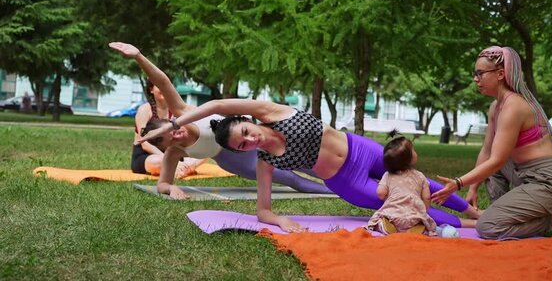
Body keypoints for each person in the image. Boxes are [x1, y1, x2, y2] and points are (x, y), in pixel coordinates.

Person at [138, 92, 481, 233]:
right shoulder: (264, 158)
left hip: (361, 150)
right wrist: (286, 223)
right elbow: (263, 211)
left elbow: (215, 106)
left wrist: (173, 124)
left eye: (246, 131)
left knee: (414, 178)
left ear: (250, 120)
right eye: (242, 143)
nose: (250, 139)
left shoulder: (271, 112)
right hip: (347, 182)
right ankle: (471, 228)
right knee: (403, 201)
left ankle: (473, 212)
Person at [109, 42, 333, 198]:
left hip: (245, 135)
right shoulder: (174, 153)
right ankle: (334, 193)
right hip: (231, 158)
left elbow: (164, 82)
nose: (178, 135)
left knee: (307, 161)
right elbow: (163, 184)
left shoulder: (182, 111)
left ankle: (344, 179)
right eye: (173, 140)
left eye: (173, 130)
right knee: (289, 178)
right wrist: (171, 189)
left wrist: (138, 57)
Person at [431, 46, 552, 240]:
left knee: (487, 227)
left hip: (549, 181)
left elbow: (497, 160)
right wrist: (473, 188)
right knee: (493, 166)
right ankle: (507, 214)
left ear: (500, 74)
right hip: (524, 173)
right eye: (475, 73)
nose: (475, 79)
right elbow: (488, 150)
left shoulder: (514, 106)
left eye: (480, 73)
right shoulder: (496, 106)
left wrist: (458, 183)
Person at [131, 77, 207, 178]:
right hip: (147, 155)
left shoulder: (176, 109)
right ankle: (181, 168)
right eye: (159, 86)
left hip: (172, 153)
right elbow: (144, 143)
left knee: (206, 152)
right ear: (151, 89)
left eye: (165, 86)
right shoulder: (144, 110)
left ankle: (181, 168)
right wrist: (166, 159)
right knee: (157, 162)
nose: (163, 89)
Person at [367, 132, 437, 236]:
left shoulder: (388, 176)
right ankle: (418, 228)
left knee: (379, 219)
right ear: (410, 159)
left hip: (392, 215)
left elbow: (380, 193)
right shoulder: (420, 176)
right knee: (423, 222)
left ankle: (386, 227)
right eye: (413, 150)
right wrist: (424, 211)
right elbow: (427, 197)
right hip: (414, 216)